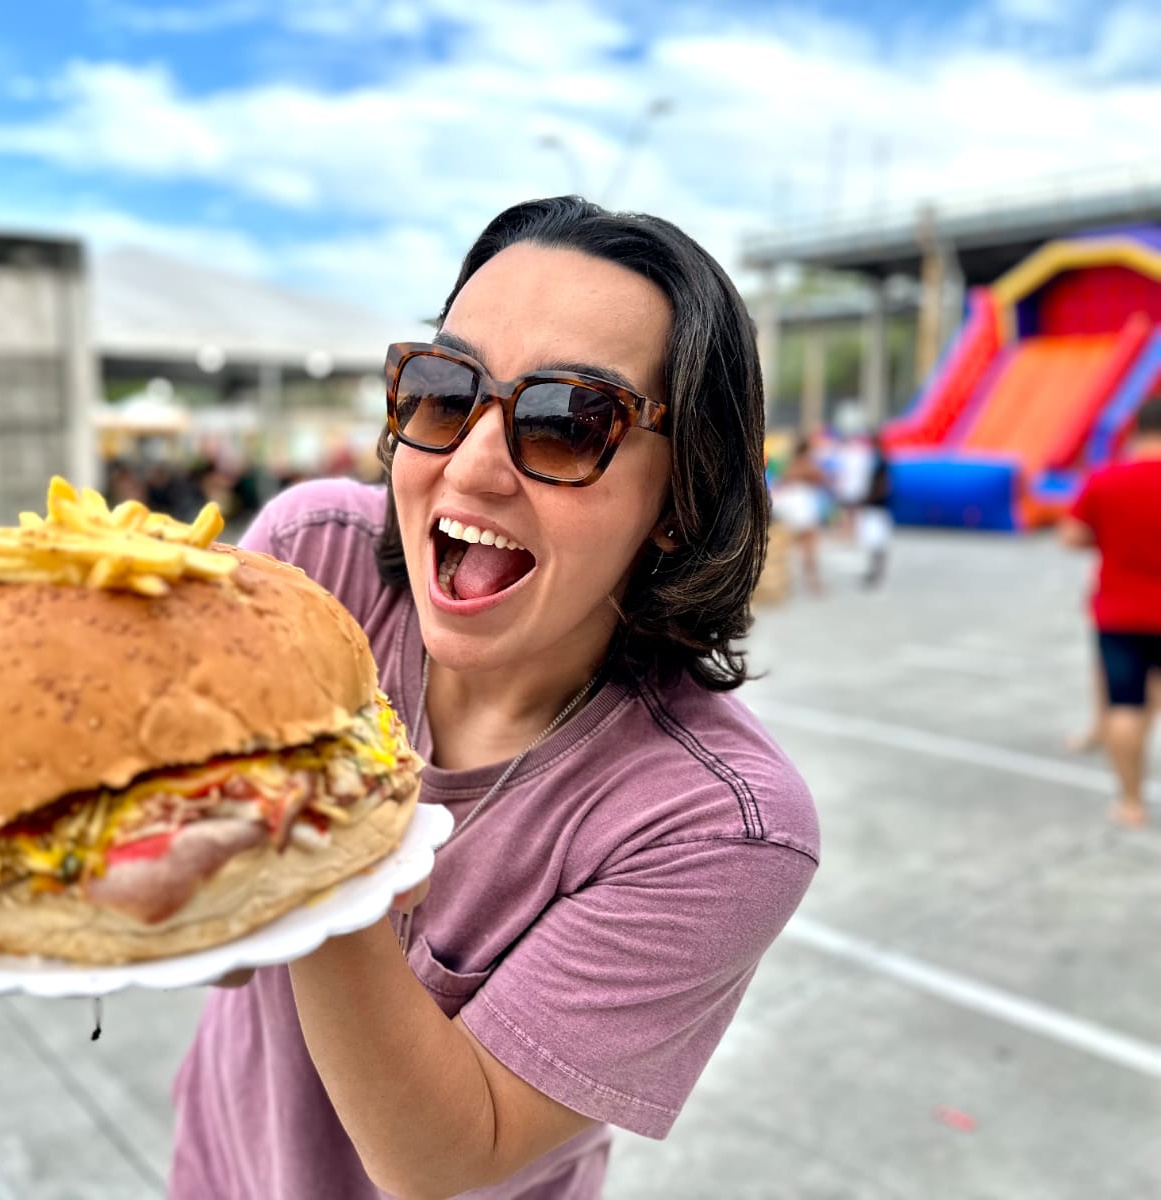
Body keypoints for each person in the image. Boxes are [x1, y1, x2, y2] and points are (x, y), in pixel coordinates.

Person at [168, 197, 819, 1199]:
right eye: (440, 390)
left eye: (567, 422)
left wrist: (317, 845)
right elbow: (201, 934)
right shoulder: (311, 565)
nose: (469, 467)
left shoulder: (716, 824)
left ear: (679, 500)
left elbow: (442, 1162)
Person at [1061, 394, 1161, 829]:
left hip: (1119, 613)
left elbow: (1070, 537)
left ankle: (1131, 802)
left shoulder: (1105, 479)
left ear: (1137, 429)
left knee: (1125, 705)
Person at [771, 434, 830, 594]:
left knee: (788, 547)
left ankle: (786, 582)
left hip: (791, 507)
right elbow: (824, 479)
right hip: (805, 506)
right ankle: (813, 583)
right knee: (809, 548)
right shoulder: (809, 465)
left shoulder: (790, 465)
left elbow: (780, 483)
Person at [859, 430, 894, 588]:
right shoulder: (879, 460)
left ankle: (878, 572)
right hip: (877, 506)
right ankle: (876, 571)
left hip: (877, 507)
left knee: (877, 542)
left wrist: (869, 498)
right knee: (874, 542)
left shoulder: (880, 461)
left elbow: (883, 485)